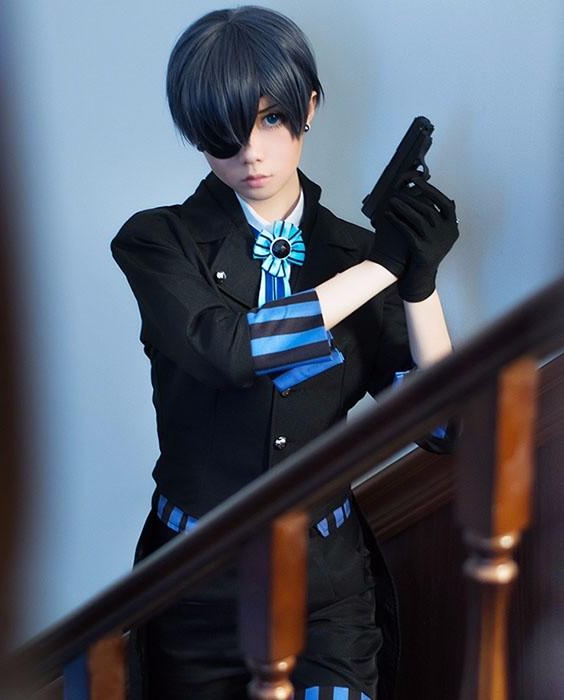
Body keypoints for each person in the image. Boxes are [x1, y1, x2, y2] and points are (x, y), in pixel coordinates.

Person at [111, 6, 459, 699]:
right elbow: (230, 349)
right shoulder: (157, 241)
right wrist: (383, 270)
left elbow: (446, 427)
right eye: (223, 131)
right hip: (193, 590)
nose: (251, 152)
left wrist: (419, 288)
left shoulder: (359, 257)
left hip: (327, 591)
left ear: (310, 107)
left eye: (271, 119)